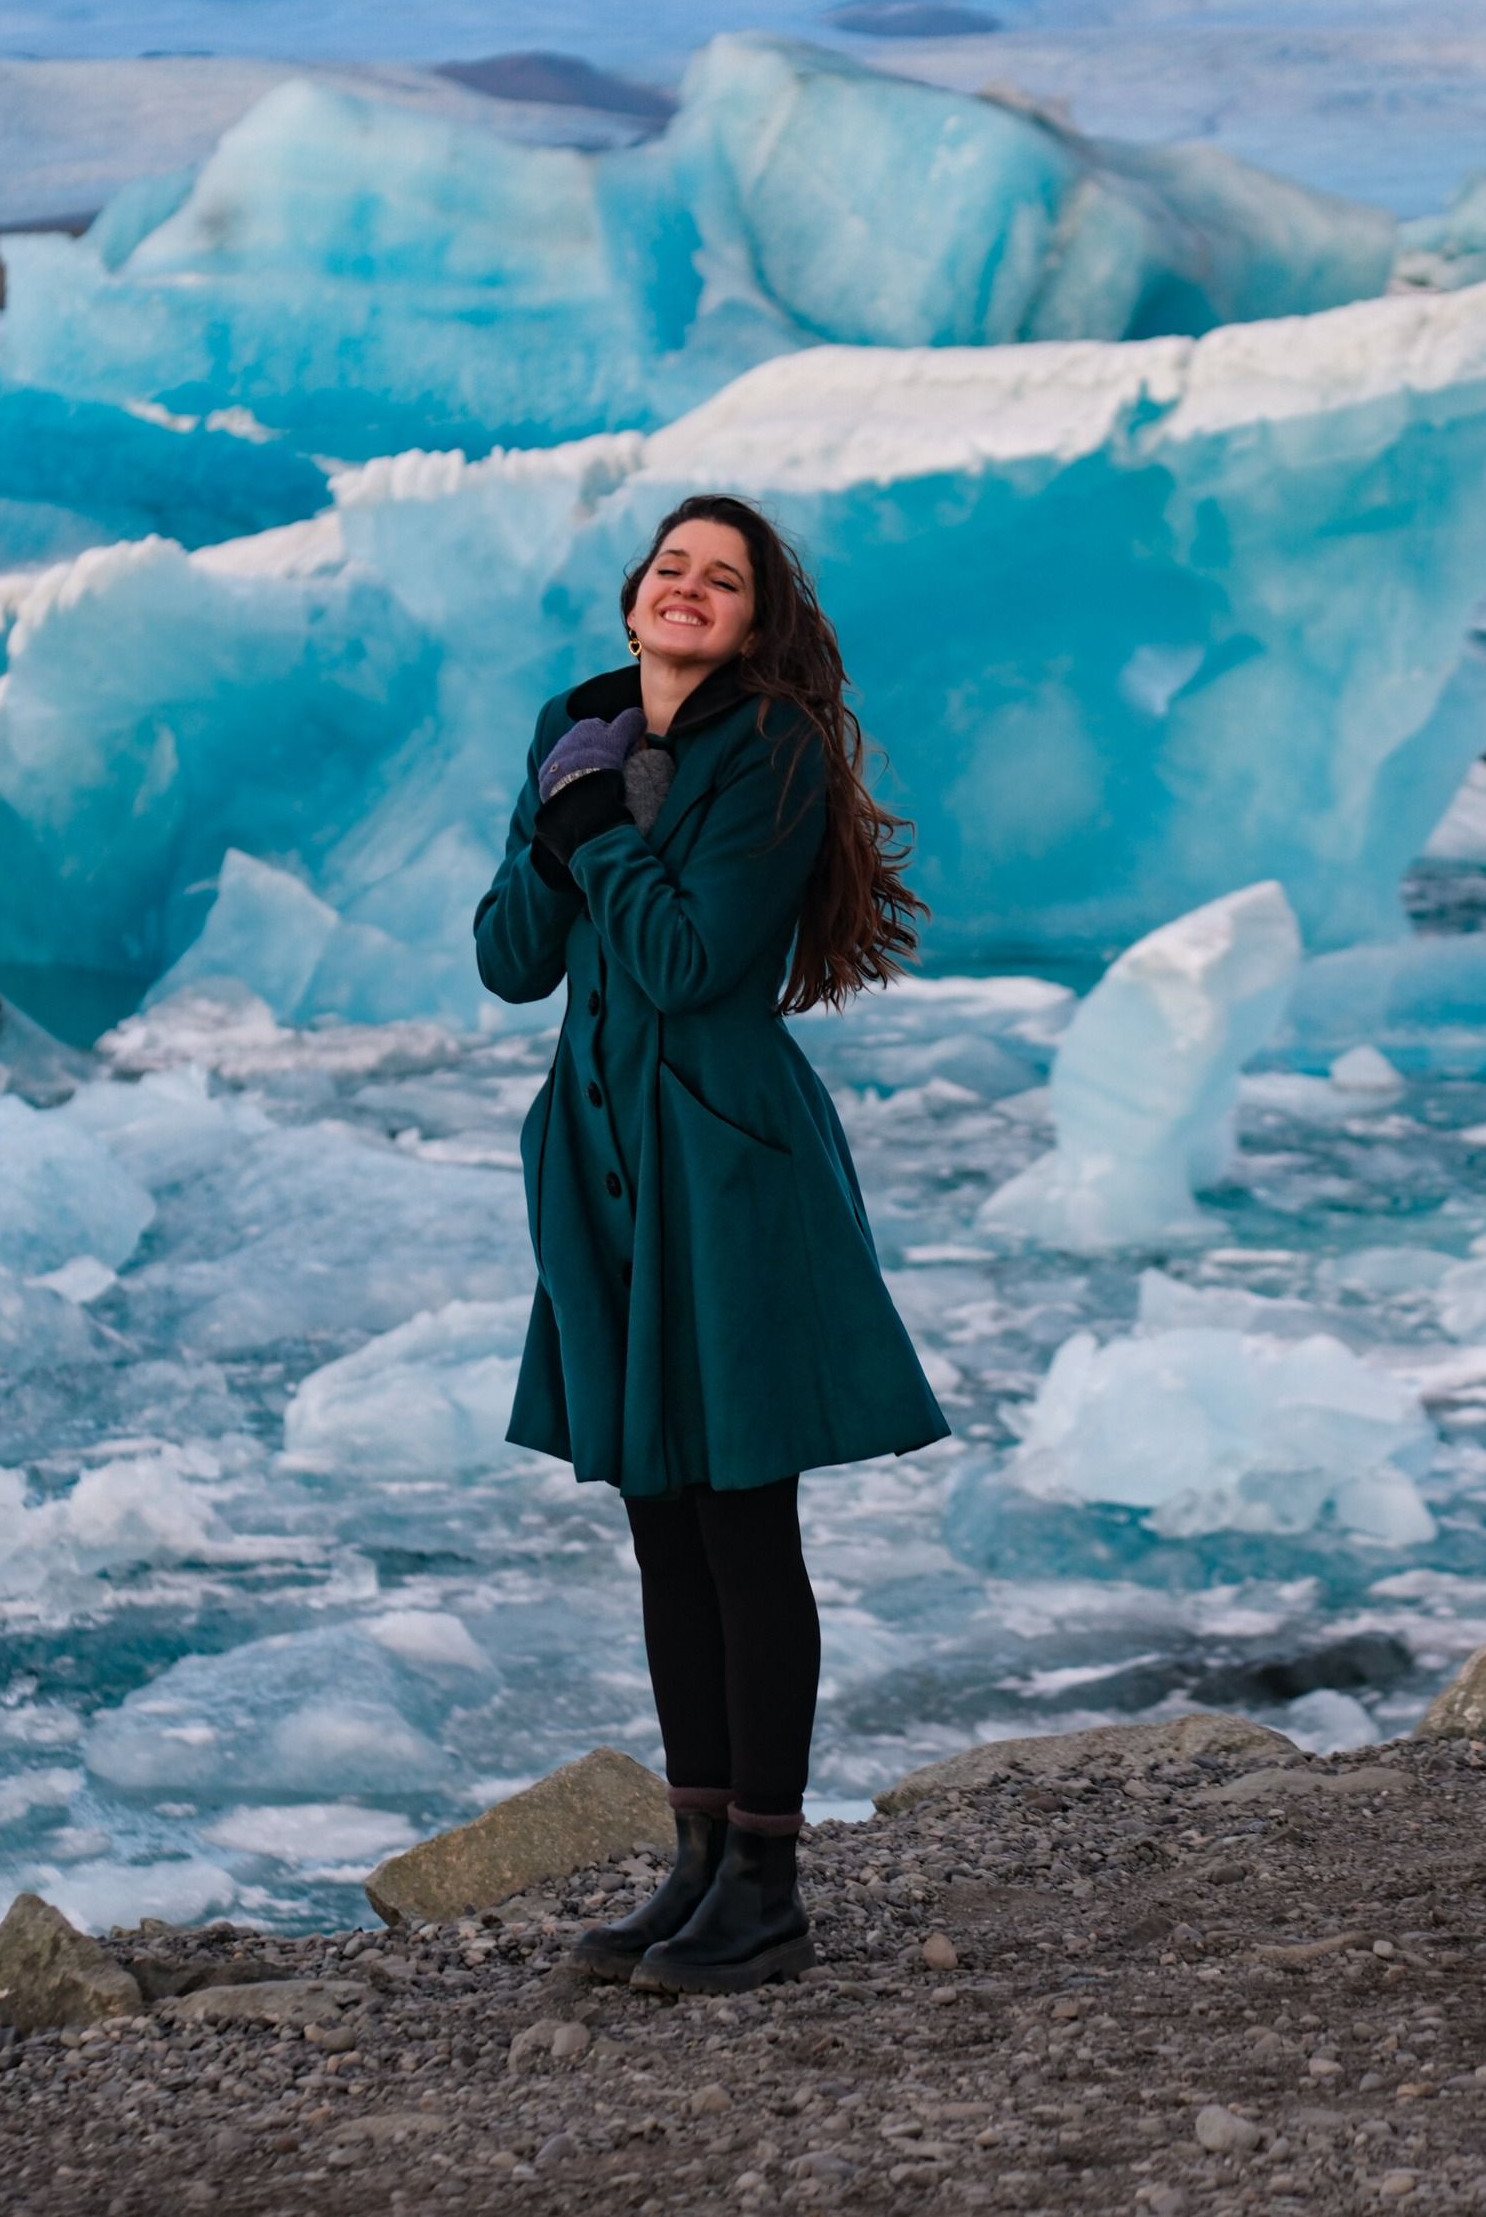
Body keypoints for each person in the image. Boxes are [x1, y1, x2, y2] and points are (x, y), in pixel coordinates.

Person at [473, 493, 951, 1996]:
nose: (690, 589)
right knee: (659, 1520)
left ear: (754, 621)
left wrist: (593, 830)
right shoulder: (579, 728)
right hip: (608, 1161)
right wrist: (563, 829)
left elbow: (687, 960)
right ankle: (692, 1864)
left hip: (728, 1163)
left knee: (746, 1522)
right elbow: (507, 960)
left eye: (722, 578)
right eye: (671, 567)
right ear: (634, 601)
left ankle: (769, 1883)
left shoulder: (775, 753)